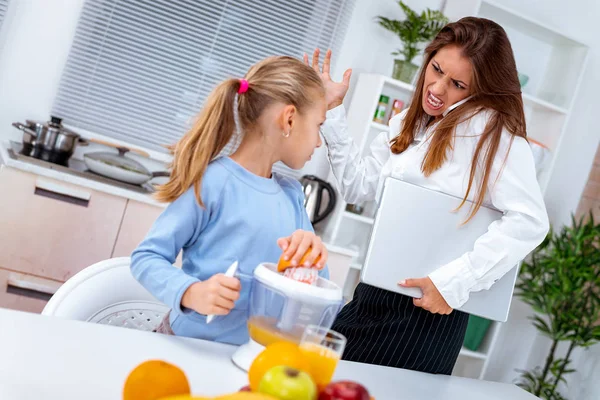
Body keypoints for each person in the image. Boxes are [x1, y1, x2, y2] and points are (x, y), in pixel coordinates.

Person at [306, 17, 550, 374]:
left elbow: (530, 222)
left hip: (427, 315)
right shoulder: (409, 122)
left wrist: (452, 284)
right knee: (319, 380)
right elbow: (359, 187)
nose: (437, 87)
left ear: (481, 90)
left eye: (457, 84)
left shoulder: (494, 139)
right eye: (436, 68)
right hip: (371, 296)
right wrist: (332, 113)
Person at [130, 56, 330, 345]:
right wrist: (190, 293)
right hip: (184, 347)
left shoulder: (291, 195)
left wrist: (314, 253)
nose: (319, 142)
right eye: (318, 125)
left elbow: (318, 285)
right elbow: (146, 257)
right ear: (289, 119)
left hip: (245, 359)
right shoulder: (213, 183)